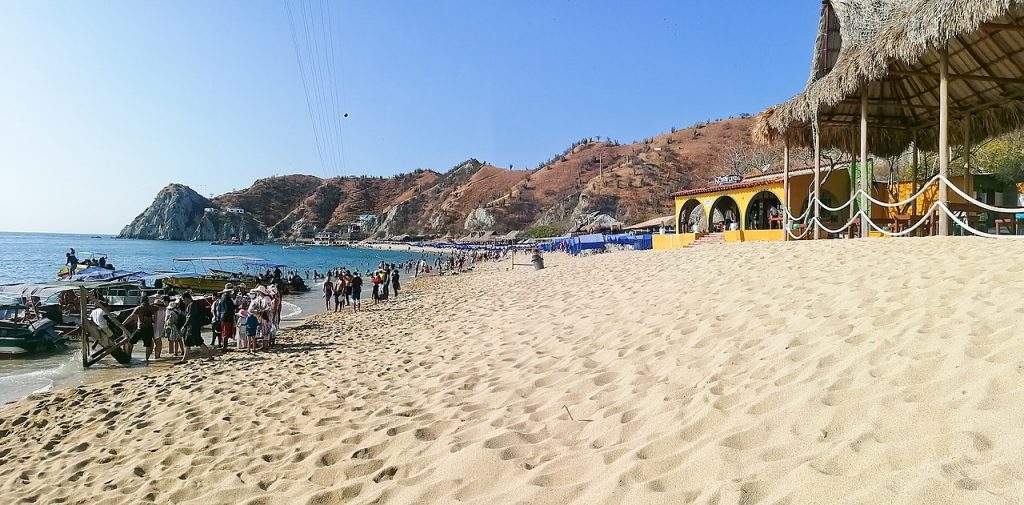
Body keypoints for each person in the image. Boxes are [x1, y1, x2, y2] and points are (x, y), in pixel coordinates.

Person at [179, 293, 210, 364]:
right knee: (187, 343)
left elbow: (190, 317)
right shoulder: (193, 305)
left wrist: (184, 326)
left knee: (199, 342)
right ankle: (184, 359)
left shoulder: (192, 305)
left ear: (187, 298)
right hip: (192, 327)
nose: (183, 302)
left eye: (183, 300)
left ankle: (210, 356)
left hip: (193, 327)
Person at [124, 297, 157, 362]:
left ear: (141, 301)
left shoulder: (139, 308)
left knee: (131, 342)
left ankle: (129, 355)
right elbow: (161, 307)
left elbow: (131, 317)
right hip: (149, 328)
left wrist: (123, 323)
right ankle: (147, 359)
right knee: (148, 344)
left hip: (140, 328)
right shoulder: (152, 307)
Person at [217, 284, 237, 351]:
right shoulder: (227, 298)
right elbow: (229, 308)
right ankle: (224, 347)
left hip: (223, 316)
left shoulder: (223, 296)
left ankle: (224, 346)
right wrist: (235, 307)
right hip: (227, 317)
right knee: (226, 332)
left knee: (224, 332)